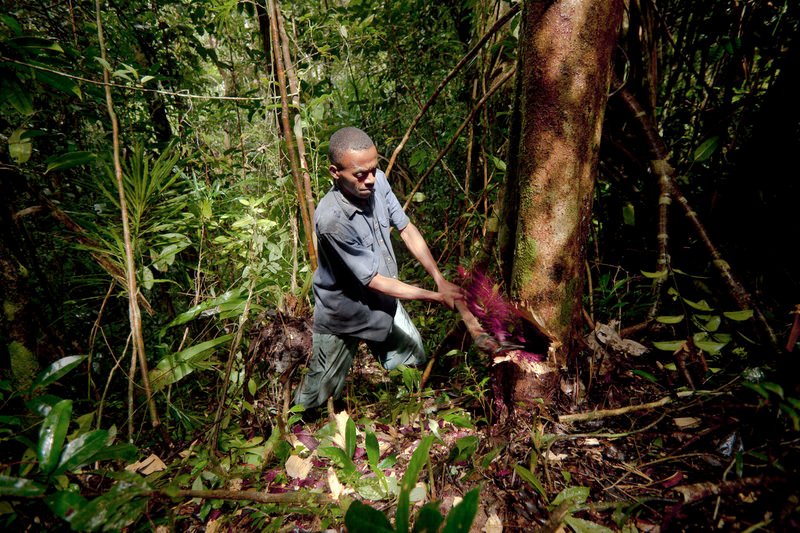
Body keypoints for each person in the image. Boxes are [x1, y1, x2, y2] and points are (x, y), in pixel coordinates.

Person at [294, 126, 463, 410]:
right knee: (317, 396)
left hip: (382, 301)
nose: (370, 179)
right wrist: (435, 297)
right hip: (343, 313)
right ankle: (293, 427)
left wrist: (439, 279)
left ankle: (409, 411)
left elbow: (406, 229)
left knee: (413, 358)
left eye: (373, 169)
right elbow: (373, 279)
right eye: (360, 174)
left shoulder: (378, 182)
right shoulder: (332, 219)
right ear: (335, 172)